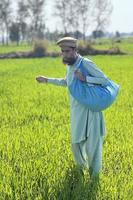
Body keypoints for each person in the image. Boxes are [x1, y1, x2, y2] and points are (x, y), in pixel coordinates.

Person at [36, 37, 109, 178]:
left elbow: (104, 80)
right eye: (62, 52)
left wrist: (85, 79)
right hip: (76, 112)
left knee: (92, 147)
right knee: (75, 144)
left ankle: (94, 179)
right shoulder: (69, 65)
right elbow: (67, 82)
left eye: (67, 51)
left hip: (90, 111)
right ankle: (81, 172)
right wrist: (47, 80)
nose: (64, 54)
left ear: (75, 50)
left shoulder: (85, 63)